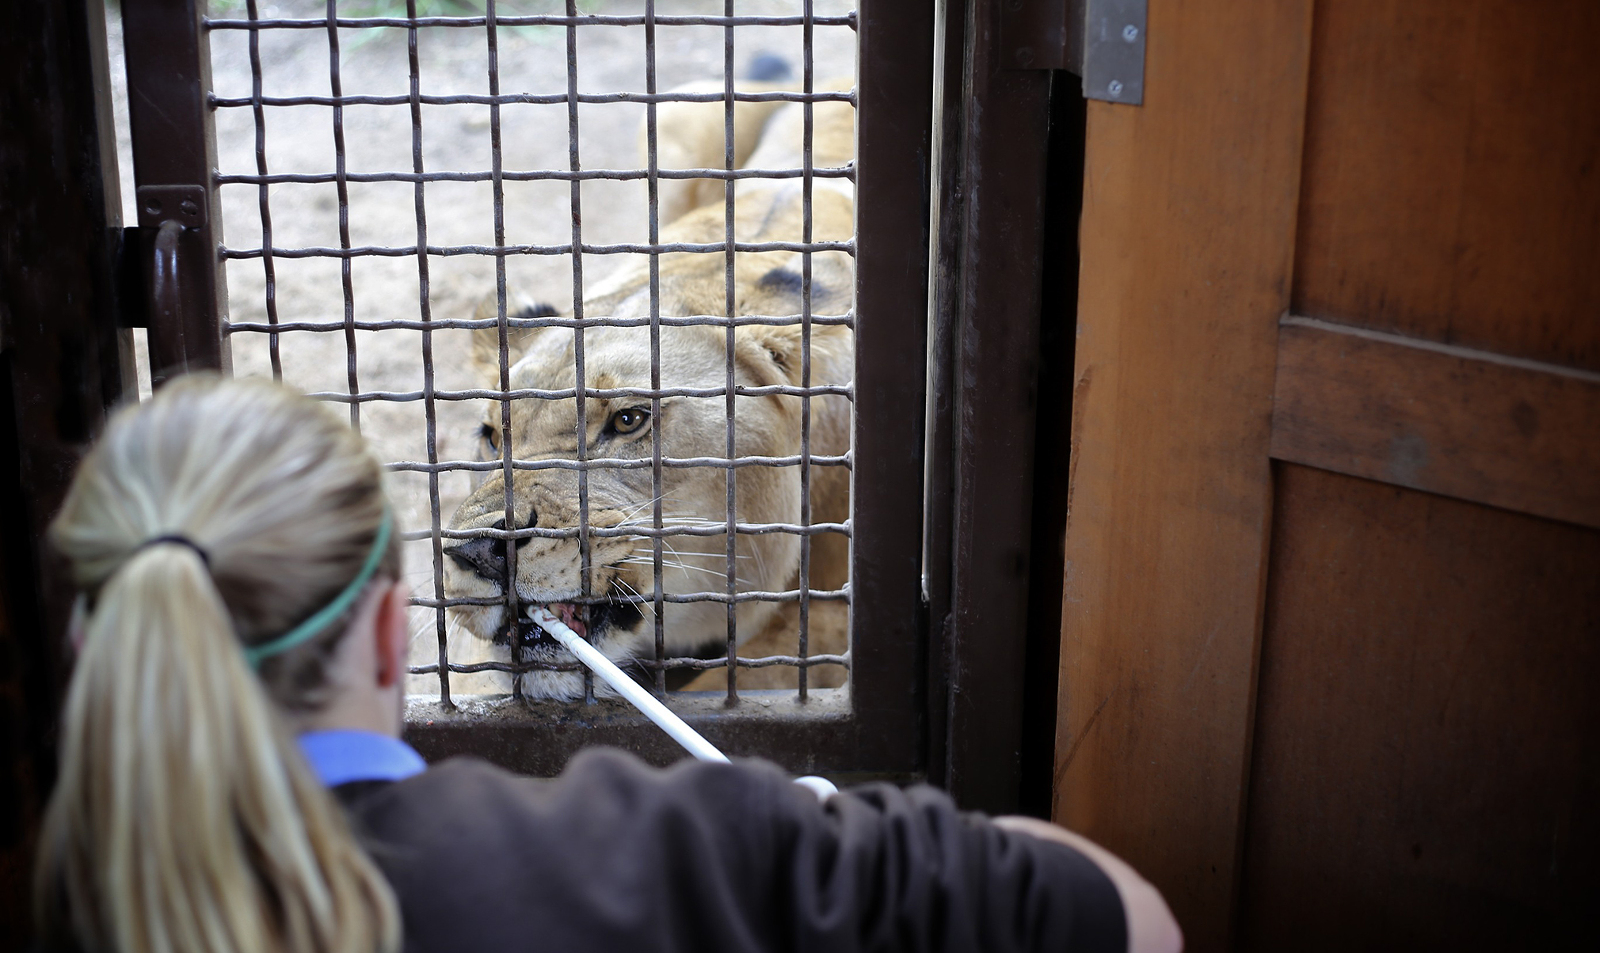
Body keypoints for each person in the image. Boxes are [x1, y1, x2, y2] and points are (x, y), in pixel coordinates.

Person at [35, 374, 1181, 953]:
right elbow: (1130, 918)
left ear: (93, 644)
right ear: (393, 627)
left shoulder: (75, 904)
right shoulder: (668, 852)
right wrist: (819, 831)